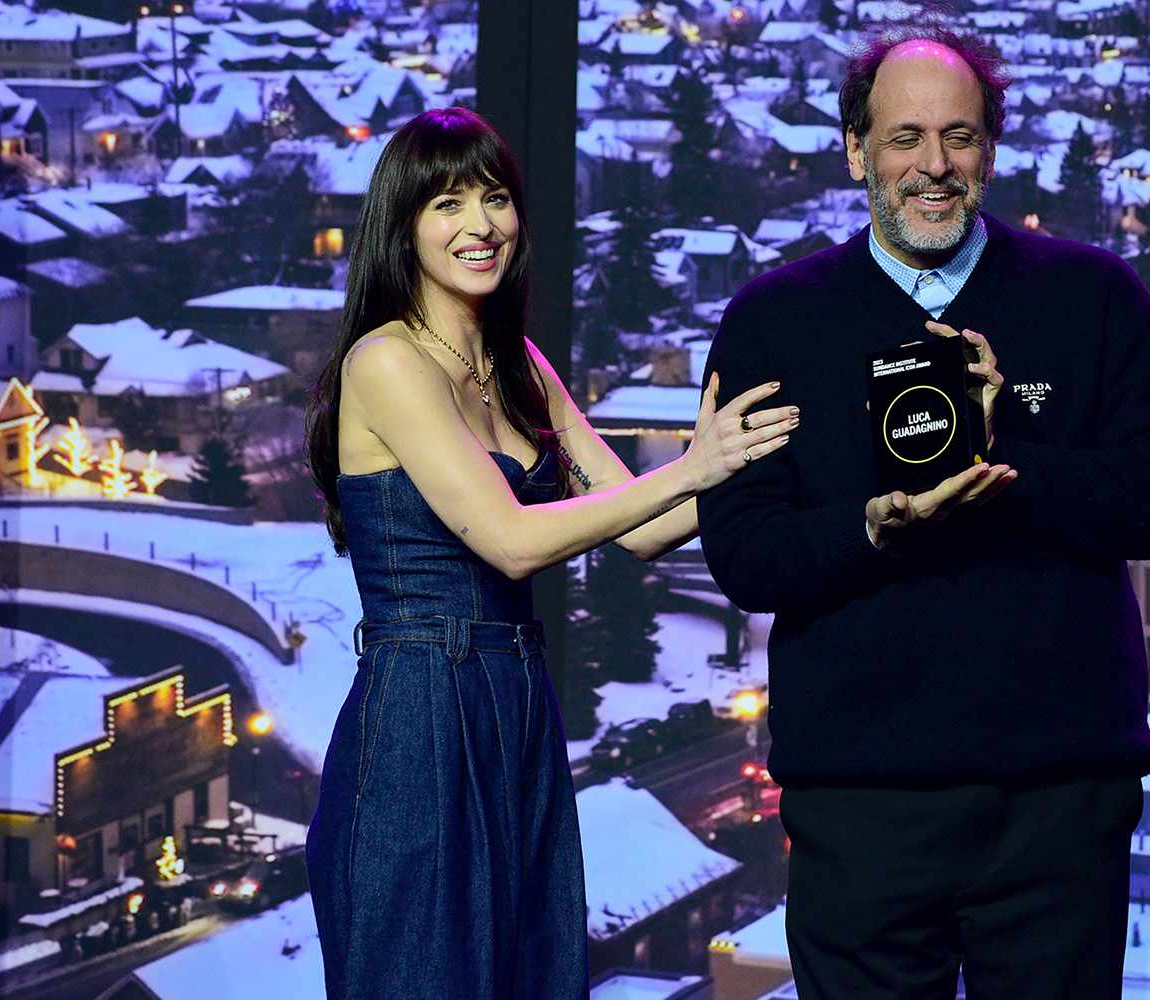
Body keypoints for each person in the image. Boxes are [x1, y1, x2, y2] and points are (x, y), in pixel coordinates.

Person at [696, 28, 1150, 1000]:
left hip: (1060, 804)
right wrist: (876, 525)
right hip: (859, 809)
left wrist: (1002, 456)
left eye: (959, 136)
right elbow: (747, 554)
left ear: (991, 148)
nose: (933, 165)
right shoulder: (774, 319)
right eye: (904, 138)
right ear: (856, 151)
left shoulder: (1092, 294)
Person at [302, 107, 796, 999]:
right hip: (420, 712)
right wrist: (692, 465)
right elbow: (511, 541)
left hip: (518, 708)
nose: (480, 225)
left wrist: (746, 454)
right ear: (403, 225)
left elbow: (643, 528)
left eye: (495, 198)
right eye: (446, 203)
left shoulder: (515, 360)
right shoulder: (384, 362)